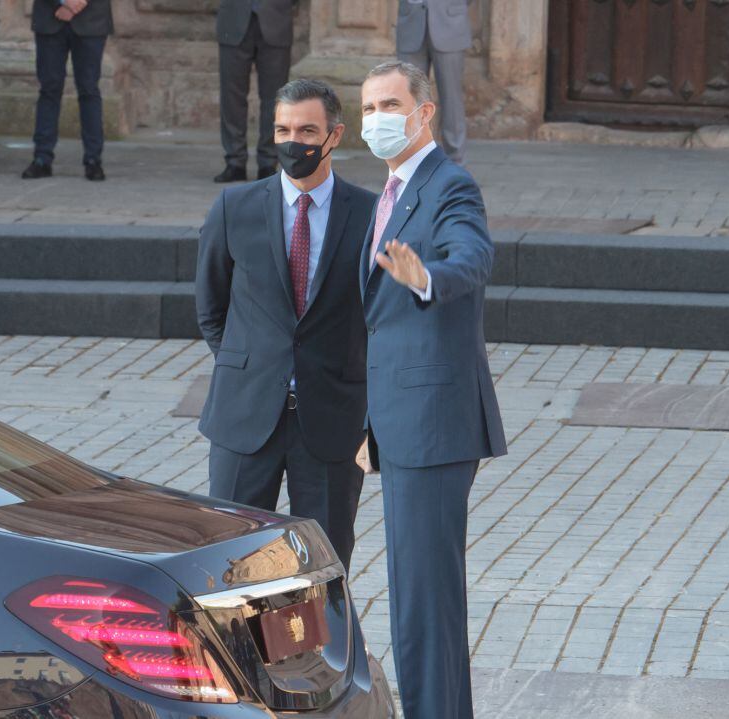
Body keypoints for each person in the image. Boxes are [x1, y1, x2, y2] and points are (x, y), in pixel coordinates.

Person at [357, 60, 506, 718]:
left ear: (424, 113)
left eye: (389, 104)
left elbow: (471, 256)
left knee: (424, 601)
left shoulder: (450, 186)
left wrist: (426, 277)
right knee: (419, 598)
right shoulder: (389, 190)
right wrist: (371, 423)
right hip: (400, 419)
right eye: (366, 109)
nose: (376, 120)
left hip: (435, 421)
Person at [196, 79, 376, 570]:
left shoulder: (369, 214)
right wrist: (255, 367)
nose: (293, 142)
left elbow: (378, 317)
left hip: (330, 420)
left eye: (306, 130)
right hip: (245, 414)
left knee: (323, 563)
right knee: (227, 560)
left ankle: (324, 649)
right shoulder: (235, 208)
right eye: (282, 130)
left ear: (334, 137)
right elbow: (211, 309)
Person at [21, 0, 112, 181]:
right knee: (49, 90)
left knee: (88, 90)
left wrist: (77, 2)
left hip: (92, 19)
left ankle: (93, 159)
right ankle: (42, 158)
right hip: (50, 16)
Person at [213, 0, 296, 184]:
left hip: (276, 19)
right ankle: (235, 161)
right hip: (233, 20)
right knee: (231, 97)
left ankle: (269, 162)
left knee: (275, 100)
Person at [395, 0, 472, 165]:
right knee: (408, 99)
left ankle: (455, 164)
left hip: (450, 22)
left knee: (452, 99)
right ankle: (411, 162)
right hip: (411, 21)